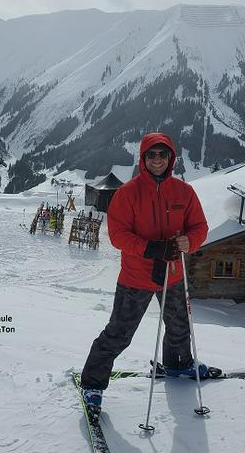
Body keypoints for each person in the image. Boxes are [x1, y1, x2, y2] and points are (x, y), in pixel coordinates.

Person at [80, 132, 212, 414]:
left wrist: (191, 241)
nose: (157, 160)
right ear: (142, 158)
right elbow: (117, 235)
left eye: (162, 155)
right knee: (119, 333)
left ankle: (178, 364)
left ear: (171, 158)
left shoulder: (184, 192)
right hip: (135, 278)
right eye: (151, 155)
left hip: (173, 275)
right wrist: (151, 248)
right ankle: (92, 383)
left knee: (179, 328)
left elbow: (199, 227)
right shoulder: (127, 193)